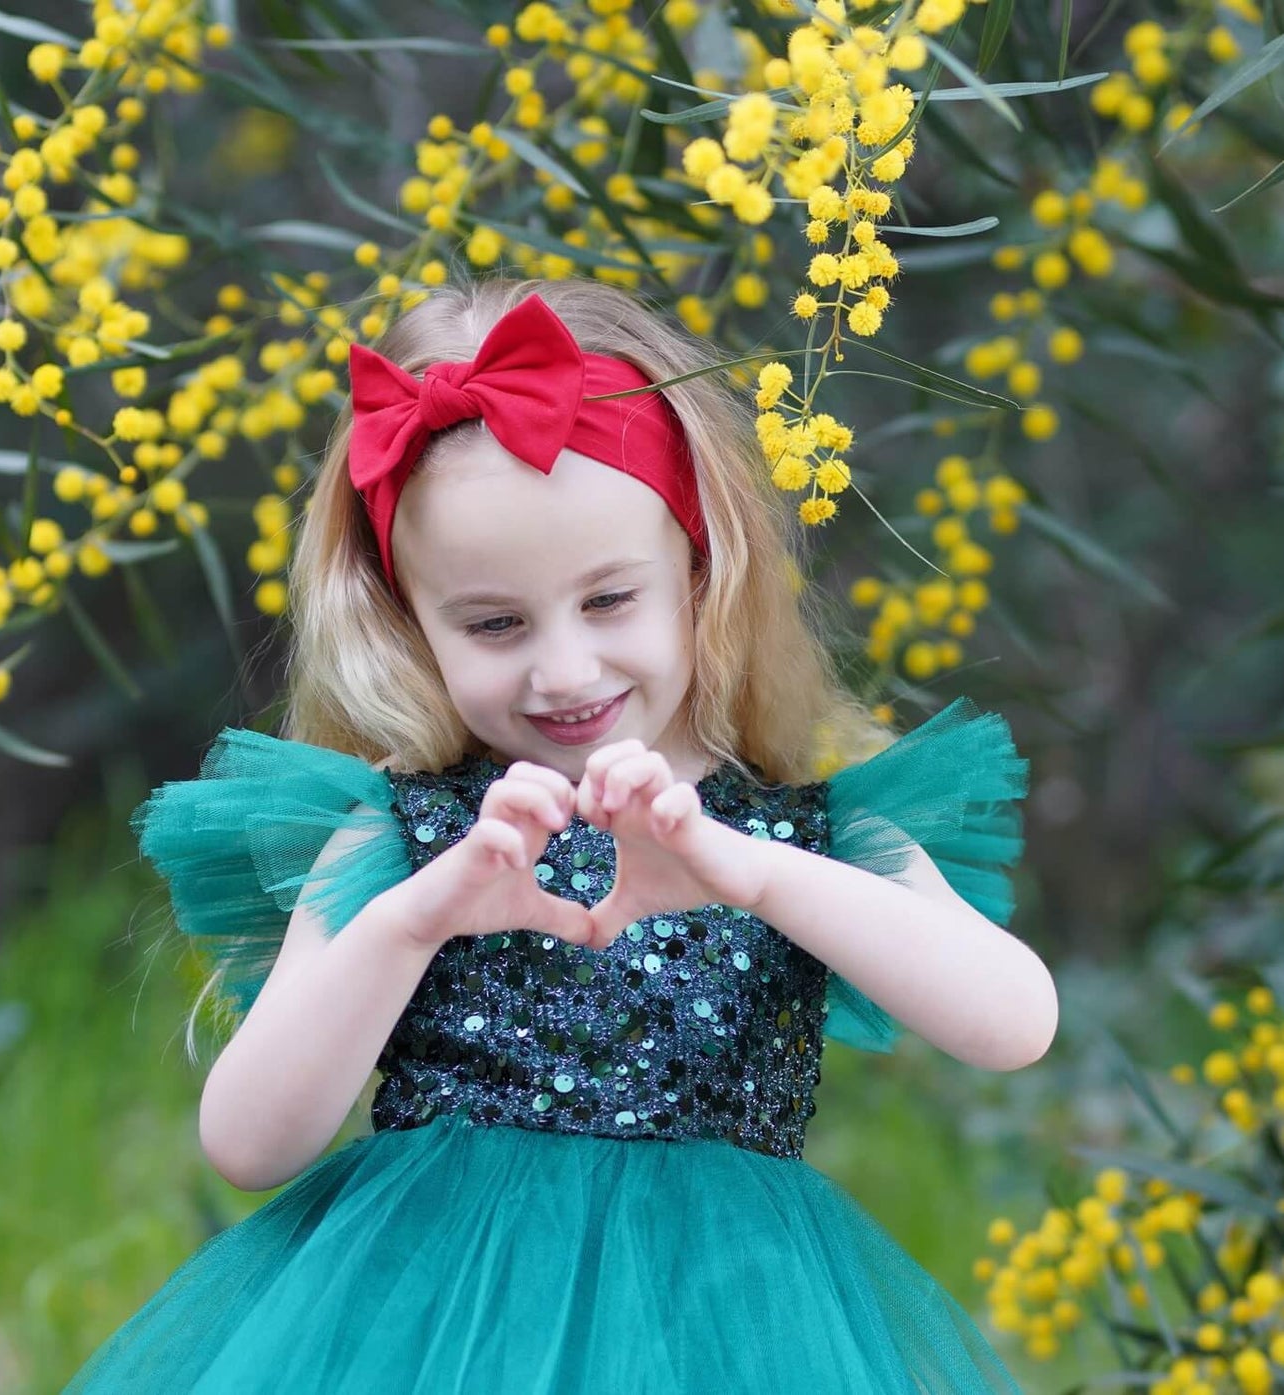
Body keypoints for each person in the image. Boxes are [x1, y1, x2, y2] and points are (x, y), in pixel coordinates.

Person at [62, 276, 1055, 1393]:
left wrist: (750, 873)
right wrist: (414, 918)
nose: (564, 670)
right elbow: (250, 1145)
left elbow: (1011, 1021)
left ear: (699, 569)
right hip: (432, 1323)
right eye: (492, 622)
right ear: (406, 622)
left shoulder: (803, 833)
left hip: (720, 1324)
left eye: (608, 600)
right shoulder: (402, 836)